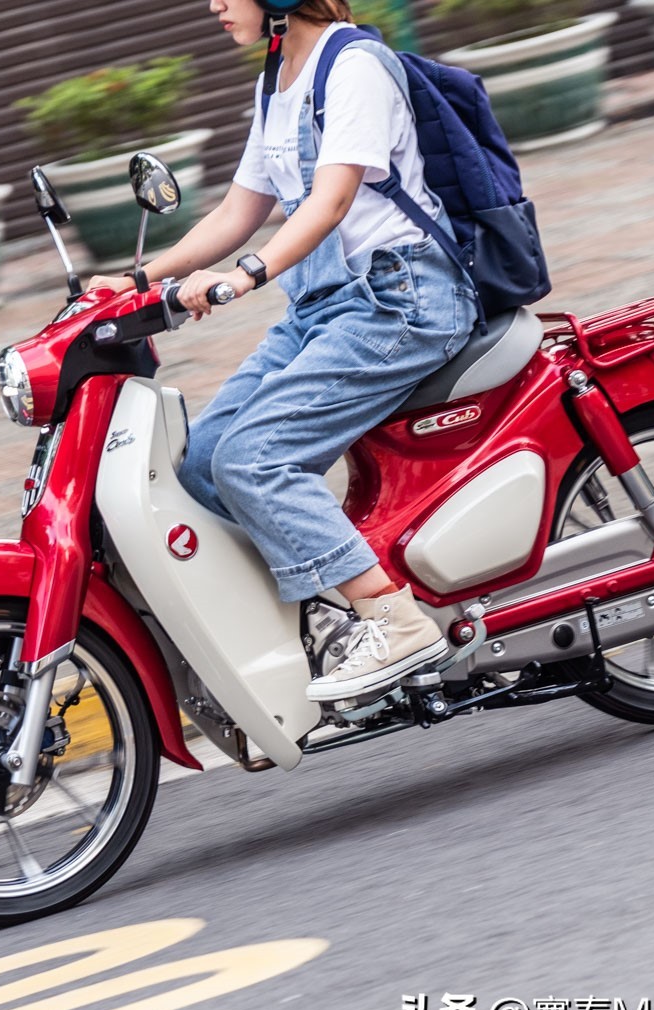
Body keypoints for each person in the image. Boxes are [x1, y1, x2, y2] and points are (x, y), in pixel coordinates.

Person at [88, 0, 478, 703]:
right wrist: (138, 280)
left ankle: (393, 621)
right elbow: (240, 210)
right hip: (323, 306)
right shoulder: (278, 76)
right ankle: (306, 630)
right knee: (201, 466)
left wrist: (244, 277)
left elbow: (328, 204)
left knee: (255, 457)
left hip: (404, 299)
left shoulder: (353, 65)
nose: (213, 4)